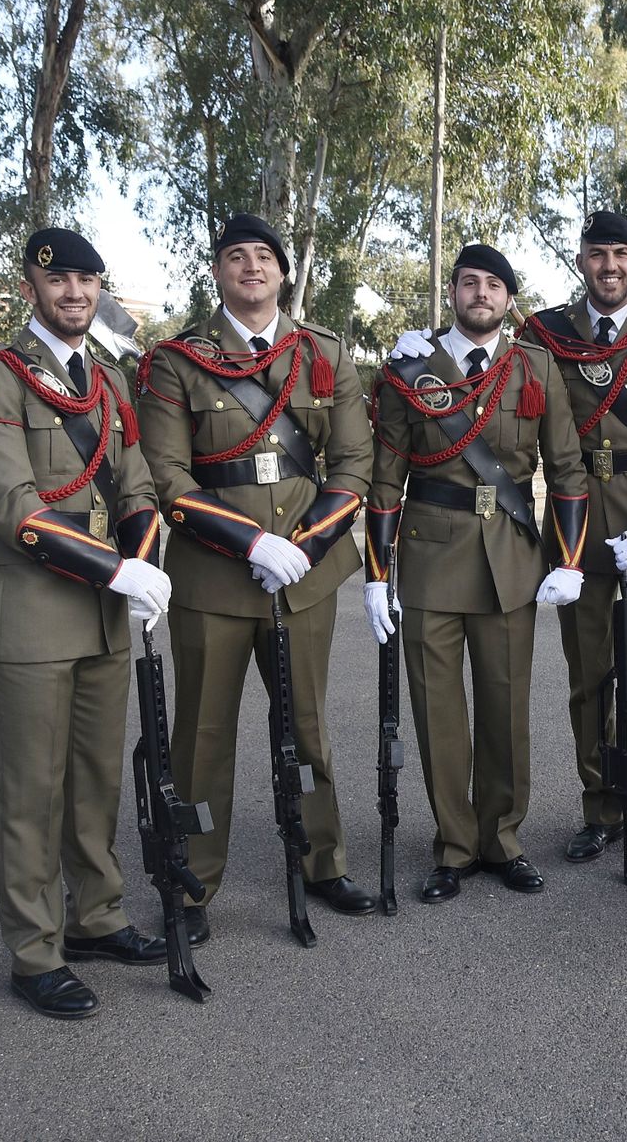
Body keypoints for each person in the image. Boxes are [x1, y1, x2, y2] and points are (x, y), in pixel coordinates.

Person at [392, 212, 627, 887]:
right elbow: (490, 387)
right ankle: (602, 810)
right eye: (598, 255)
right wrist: (419, 352)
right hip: (580, 528)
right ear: (581, 261)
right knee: (588, 678)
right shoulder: (544, 335)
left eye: (622, 253)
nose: (610, 266)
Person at [135, 212, 375, 944]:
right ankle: (194, 878)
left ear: (282, 273)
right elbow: (167, 477)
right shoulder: (176, 362)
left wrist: (301, 544)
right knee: (203, 735)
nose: (250, 267)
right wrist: (252, 543)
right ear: (216, 272)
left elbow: (353, 464)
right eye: (235, 256)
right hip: (213, 578)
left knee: (306, 724)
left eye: (263, 257)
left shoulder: (323, 354)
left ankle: (321, 860)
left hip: (304, 574)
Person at [0, 228, 172, 1019]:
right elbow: (13, 507)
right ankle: (34, 950)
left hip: (107, 617)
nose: (74, 293)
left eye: (87, 280)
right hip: (32, 615)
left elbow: (137, 484)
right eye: (59, 281)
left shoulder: (109, 380)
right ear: (31, 287)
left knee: (95, 779)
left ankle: (98, 915)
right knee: (31, 789)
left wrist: (145, 559)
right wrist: (119, 567)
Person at [366, 243, 589, 902]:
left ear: (509, 299)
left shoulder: (535, 367)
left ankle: (503, 839)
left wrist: (569, 559)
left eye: (494, 284)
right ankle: (455, 845)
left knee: (505, 707)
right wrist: (378, 573)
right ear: (454, 292)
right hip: (432, 555)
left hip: (510, 558)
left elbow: (568, 470)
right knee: (438, 711)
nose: (481, 293)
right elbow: (386, 479)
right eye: (469, 282)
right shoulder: (412, 366)